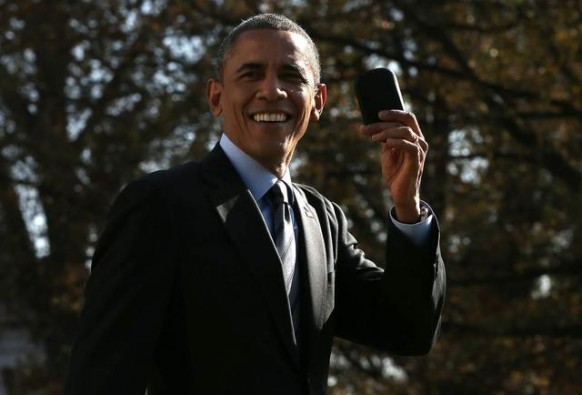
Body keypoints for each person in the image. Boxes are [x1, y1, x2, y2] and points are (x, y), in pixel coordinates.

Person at [63, 13, 445, 395]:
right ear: (216, 97)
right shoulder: (160, 204)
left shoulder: (322, 220)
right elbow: (102, 374)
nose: (272, 90)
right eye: (251, 74)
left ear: (318, 101)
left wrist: (407, 206)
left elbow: (408, 330)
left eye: (292, 76)